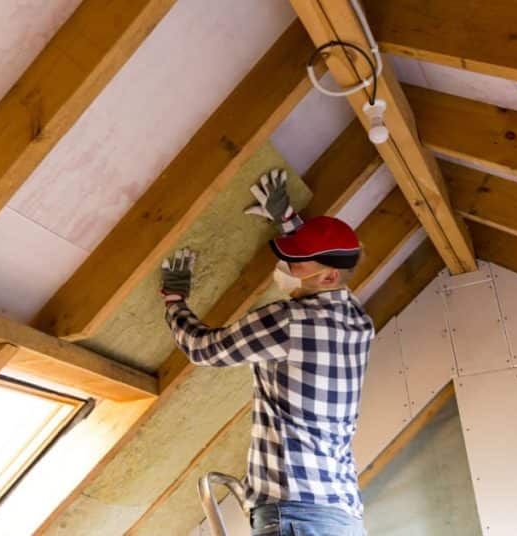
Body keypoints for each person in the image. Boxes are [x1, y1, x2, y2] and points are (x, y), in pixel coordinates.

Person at [160, 169, 374, 536]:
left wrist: (174, 301)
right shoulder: (358, 322)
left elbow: (203, 349)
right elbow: (324, 261)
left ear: (328, 278)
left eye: (298, 261)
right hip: (342, 514)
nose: (288, 267)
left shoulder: (287, 322)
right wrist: (289, 222)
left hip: (295, 515)